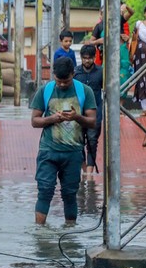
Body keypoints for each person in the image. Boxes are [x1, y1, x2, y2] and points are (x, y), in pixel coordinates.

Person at [29, 56, 98, 225]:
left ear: (73, 74)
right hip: (48, 151)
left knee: (70, 193)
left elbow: (92, 122)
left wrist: (76, 117)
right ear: (53, 76)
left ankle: (70, 233)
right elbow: (34, 121)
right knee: (44, 191)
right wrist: (52, 119)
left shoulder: (85, 91)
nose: (61, 85)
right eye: (58, 81)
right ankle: (40, 233)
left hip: (73, 152)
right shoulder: (45, 90)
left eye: (65, 81)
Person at [74, 44, 104, 177]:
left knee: (92, 142)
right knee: (78, 142)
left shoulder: (101, 72)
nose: (87, 61)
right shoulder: (75, 73)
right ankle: (84, 169)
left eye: (90, 58)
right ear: (81, 58)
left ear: (94, 57)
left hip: (95, 113)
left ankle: (89, 175)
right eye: (84, 58)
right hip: (78, 114)